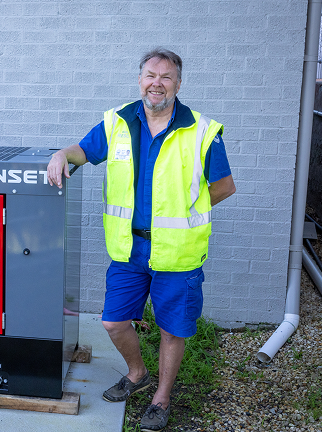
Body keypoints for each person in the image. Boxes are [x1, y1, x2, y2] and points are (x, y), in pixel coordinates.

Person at [47, 48, 235, 431]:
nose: (157, 83)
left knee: (171, 330)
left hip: (177, 253)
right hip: (129, 250)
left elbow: (224, 186)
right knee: (113, 322)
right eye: (150, 75)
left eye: (166, 77)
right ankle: (138, 373)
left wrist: (187, 210)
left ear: (178, 84)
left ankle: (161, 397)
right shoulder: (118, 121)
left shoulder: (201, 130)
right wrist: (61, 154)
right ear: (139, 80)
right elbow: (84, 151)